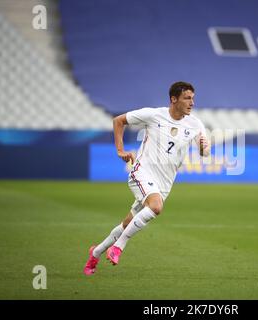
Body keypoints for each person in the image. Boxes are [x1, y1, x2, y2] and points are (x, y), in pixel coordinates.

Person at [84, 81, 210, 275]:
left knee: (127, 224)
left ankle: (96, 252)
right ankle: (118, 247)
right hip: (141, 172)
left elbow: (205, 152)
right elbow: (119, 121)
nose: (192, 102)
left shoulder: (194, 123)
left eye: (193, 98)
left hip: (164, 183)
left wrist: (203, 147)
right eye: (187, 98)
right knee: (156, 206)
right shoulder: (154, 115)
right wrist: (120, 150)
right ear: (173, 99)